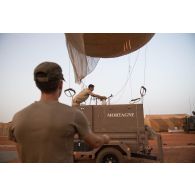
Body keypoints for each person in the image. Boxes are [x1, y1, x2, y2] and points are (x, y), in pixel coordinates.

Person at [8, 61, 109, 163]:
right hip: (76, 105)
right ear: (60, 84)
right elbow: (95, 142)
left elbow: (21, 154)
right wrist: (105, 138)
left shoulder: (17, 118)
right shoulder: (74, 115)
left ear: (38, 85)